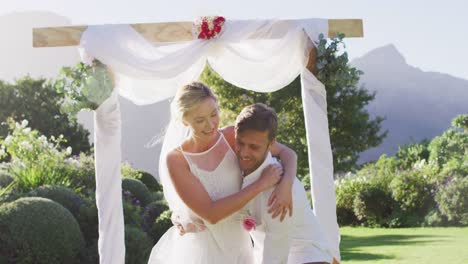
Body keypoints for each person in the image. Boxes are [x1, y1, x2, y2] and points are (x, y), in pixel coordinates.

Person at [148, 82, 298, 263]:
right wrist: (260, 185)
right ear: (184, 120)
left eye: (214, 114)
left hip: (240, 246)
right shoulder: (177, 160)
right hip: (205, 250)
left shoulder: (230, 136)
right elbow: (211, 214)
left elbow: (286, 153)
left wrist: (286, 184)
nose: (210, 125)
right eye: (200, 120)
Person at [235, 103, 335, 264]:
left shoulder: (281, 195)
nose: (244, 152)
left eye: (254, 147)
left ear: (271, 144)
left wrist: (286, 183)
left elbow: (275, 257)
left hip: (307, 257)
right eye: (240, 143)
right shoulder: (236, 160)